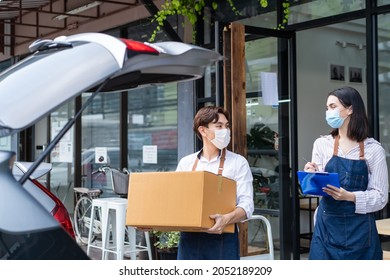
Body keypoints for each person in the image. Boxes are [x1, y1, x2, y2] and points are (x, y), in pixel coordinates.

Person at [304, 86, 389, 260]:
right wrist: (311, 176)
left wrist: (350, 197)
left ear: (350, 109)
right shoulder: (321, 145)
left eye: (333, 107)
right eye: (327, 108)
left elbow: (381, 197)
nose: (328, 112)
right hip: (326, 229)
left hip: (361, 233)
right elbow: (316, 190)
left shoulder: (374, 150)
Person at [176, 105, 254, 260]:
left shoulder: (238, 163)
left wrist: (226, 219)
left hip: (223, 239)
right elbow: (175, 201)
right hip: (189, 240)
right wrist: (151, 223)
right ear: (203, 130)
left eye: (226, 126)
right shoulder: (186, 163)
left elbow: (247, 206)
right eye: (219, 126)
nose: (225, 131)